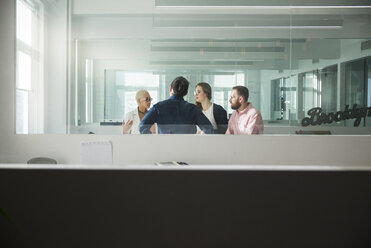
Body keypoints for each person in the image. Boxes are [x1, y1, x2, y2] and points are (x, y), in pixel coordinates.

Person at [139, 76, 213, 134]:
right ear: (186, 92)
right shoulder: (193, 109)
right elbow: (209, 129)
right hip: (188, 148)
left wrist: (155, 140)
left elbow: (142, 127)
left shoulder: (158, 107)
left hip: (165, 148)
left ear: (171, 88)